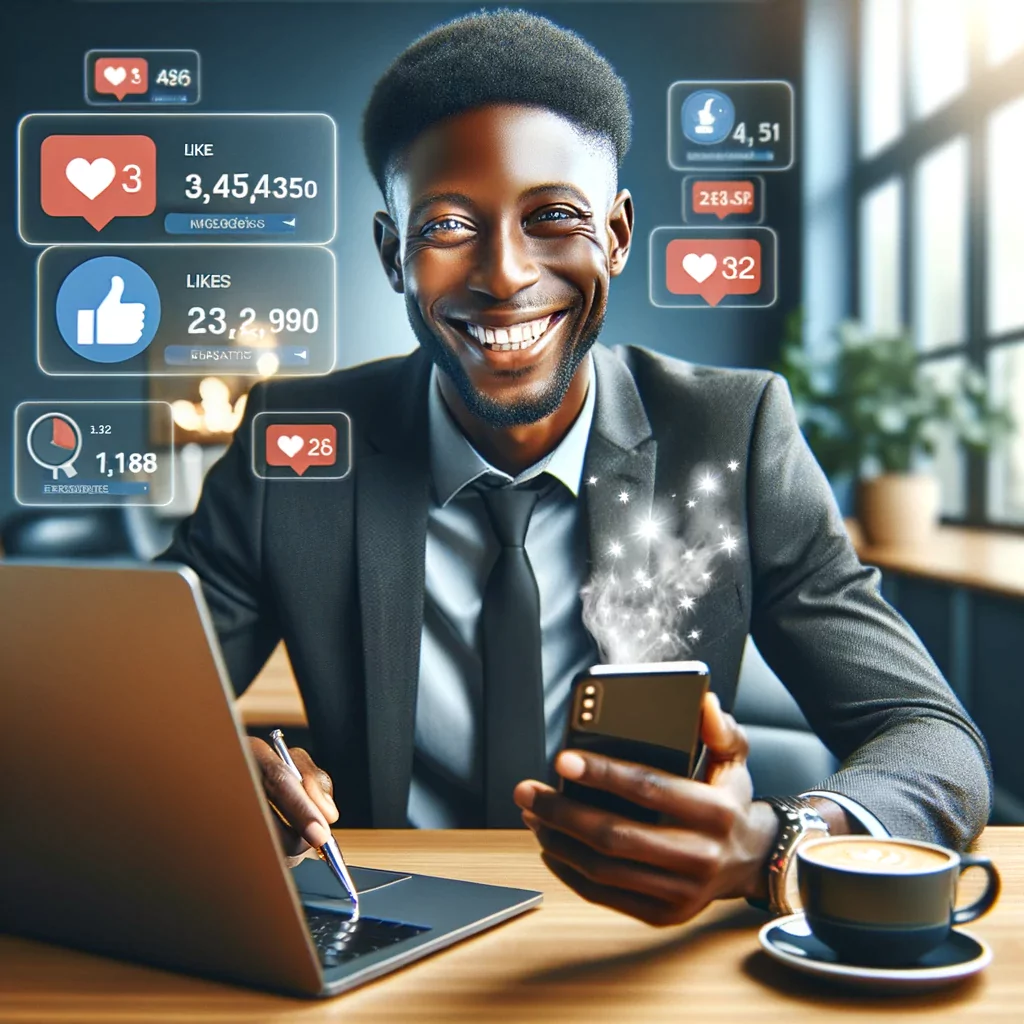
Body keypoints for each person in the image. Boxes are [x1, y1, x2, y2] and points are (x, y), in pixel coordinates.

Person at [161, 10, 992, 926]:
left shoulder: (733, 432)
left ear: (620, 233)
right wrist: (208, 768)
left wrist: (771, 845)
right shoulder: (297, 444)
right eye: (445, 226)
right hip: (386, 932)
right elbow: (124, 711)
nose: (506, 275)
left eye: (553, 217)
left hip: (637, 946)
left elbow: (933, 742)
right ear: (394, 256)